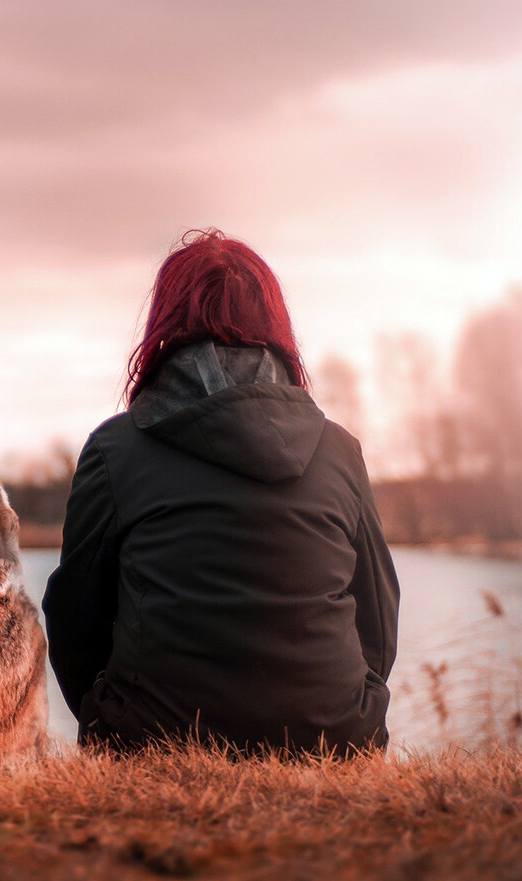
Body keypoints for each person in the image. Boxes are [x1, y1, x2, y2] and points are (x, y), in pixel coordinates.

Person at [41, 229, 399, 757]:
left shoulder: (116, 450)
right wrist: (350, 706)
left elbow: (75, 617)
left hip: (153, 740)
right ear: (275, 325)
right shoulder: (339, 450)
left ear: (164, 323)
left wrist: (109, 713)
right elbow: (378, 616)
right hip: (334, 739)